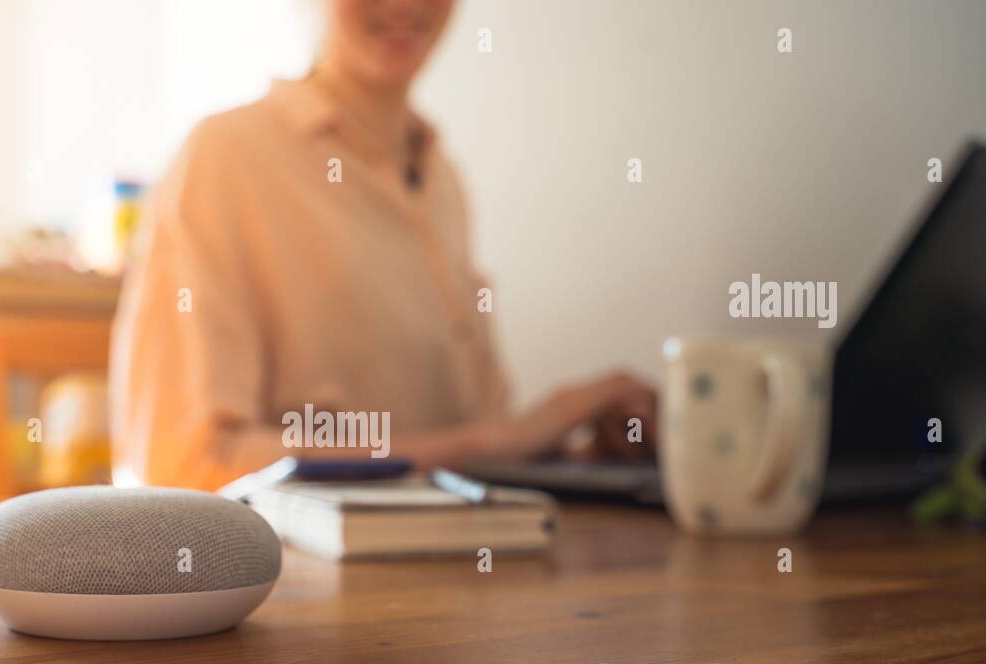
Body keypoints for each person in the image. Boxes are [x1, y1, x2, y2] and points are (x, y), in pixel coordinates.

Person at [111, 0, 655, 491]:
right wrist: (493, 443)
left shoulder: (444, 180)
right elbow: (189, 463)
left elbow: (471, 444)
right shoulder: (225, 157)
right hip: (306, 589)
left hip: (457, 576)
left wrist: (567, 446)